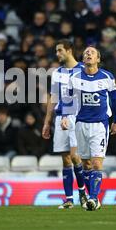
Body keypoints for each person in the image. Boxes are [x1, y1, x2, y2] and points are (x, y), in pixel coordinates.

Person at [61, 46, 116, 211]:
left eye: (92, 52)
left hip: (100, 124)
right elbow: (67, 98)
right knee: (86, 163)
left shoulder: (107, 77)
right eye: (86, 52)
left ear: (98, 59)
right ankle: (92, 197)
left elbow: (115, 100)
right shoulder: (75, 77)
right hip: (81, 123)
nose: (88, 53)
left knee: (96, 162)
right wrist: (65, 116)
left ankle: (93, 198)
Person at [42, 39, 87, 209]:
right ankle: (69, 199)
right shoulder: (57, 73)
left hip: (78, 117)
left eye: (60, 50)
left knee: (76, 157)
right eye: (56, 51)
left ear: (69, 51)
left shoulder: (83, 70)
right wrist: (47, 122)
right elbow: (53, 98)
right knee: (66, 159)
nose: (57, 54)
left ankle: (83, 192)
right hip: (60, 117)